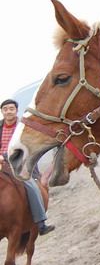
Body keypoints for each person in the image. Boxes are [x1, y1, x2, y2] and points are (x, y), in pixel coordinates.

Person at [0, 98, 55, 235]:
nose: (8, 112)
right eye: (5, 109)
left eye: (11, 109)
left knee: (30, 186)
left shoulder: (23, 127)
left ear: (16, 111)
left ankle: (41, 222)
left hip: (21, 163)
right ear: (2, 112)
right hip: (1, 165)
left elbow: (29, 144)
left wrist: (7, 156)